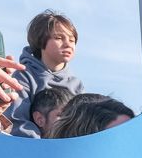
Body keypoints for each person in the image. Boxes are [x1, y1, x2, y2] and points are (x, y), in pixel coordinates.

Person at [6, 10, 84, 138]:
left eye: (72, 40)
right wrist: (40, 148)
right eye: (59, 38)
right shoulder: (24, 76)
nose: (68, 44)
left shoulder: (76, 84)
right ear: (41, 41)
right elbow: (16, 120)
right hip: (34, 149)